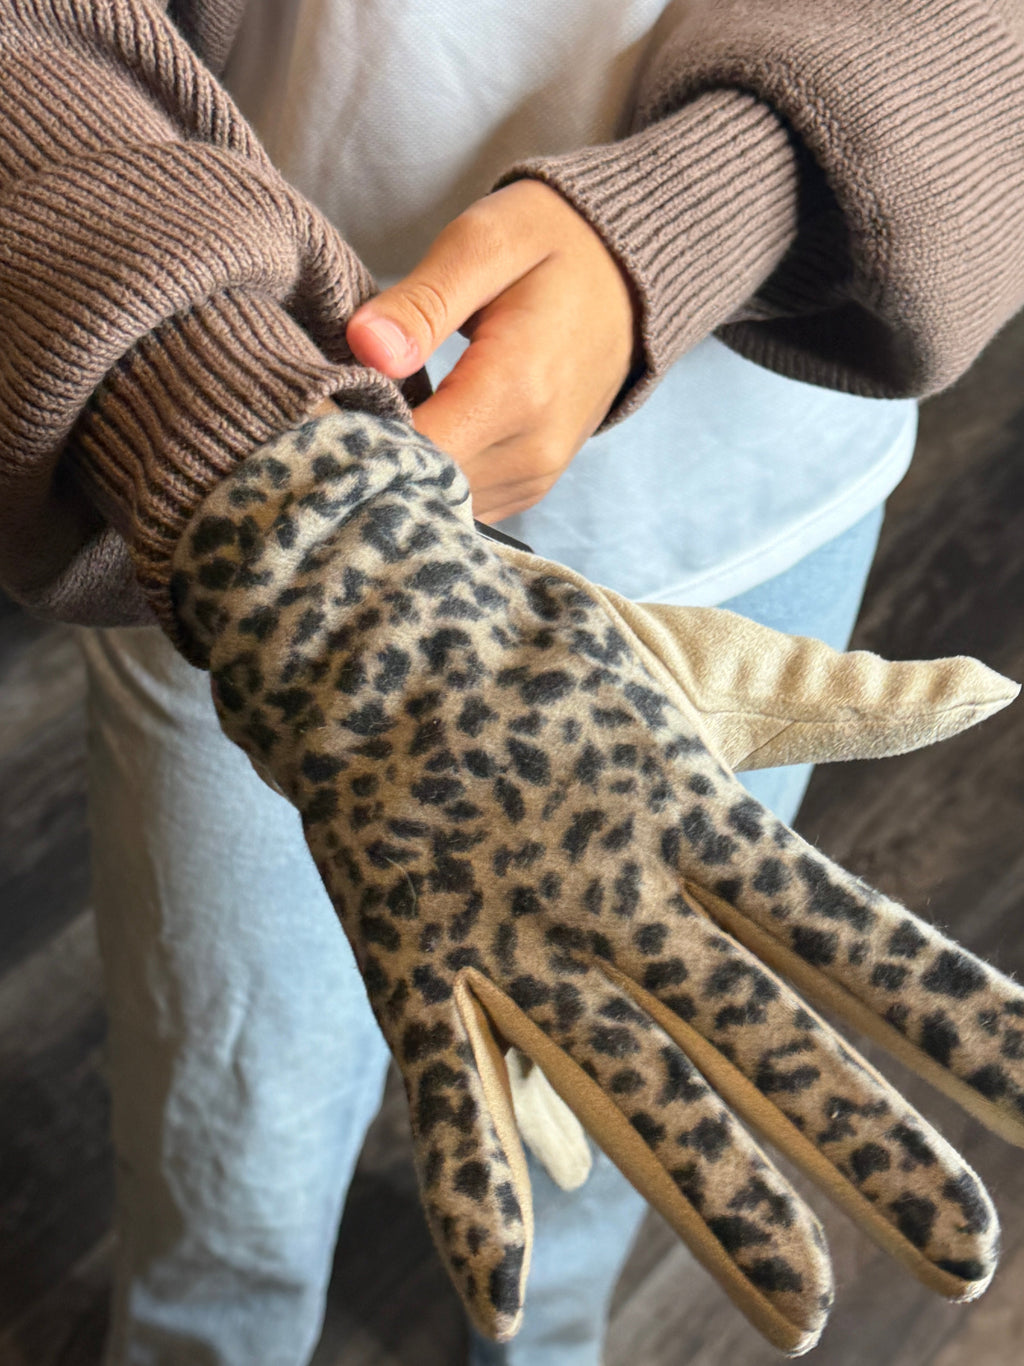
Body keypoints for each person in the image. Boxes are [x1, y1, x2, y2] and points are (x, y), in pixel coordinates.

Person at [1, 2, 1023, 1363]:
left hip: (763, 460)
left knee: (632, 1099)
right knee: (232, 1126)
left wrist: (738, 185)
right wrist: (252, 460)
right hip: (249, 468)